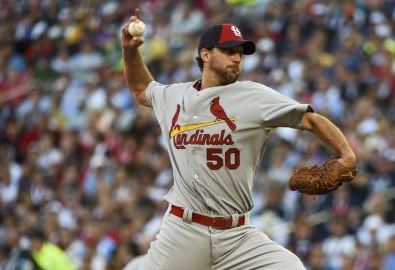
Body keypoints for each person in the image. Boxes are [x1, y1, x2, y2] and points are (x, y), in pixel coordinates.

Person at [121, 9, 357, 270]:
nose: (237, 58)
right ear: (206, 54)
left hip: (237, 235)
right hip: (183, 232)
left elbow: (311, 120)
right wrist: (130, 51)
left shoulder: (255, 96)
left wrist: (346, 154)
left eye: (240, 53)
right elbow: (141, 89)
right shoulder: (174, 96)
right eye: (229, 51)